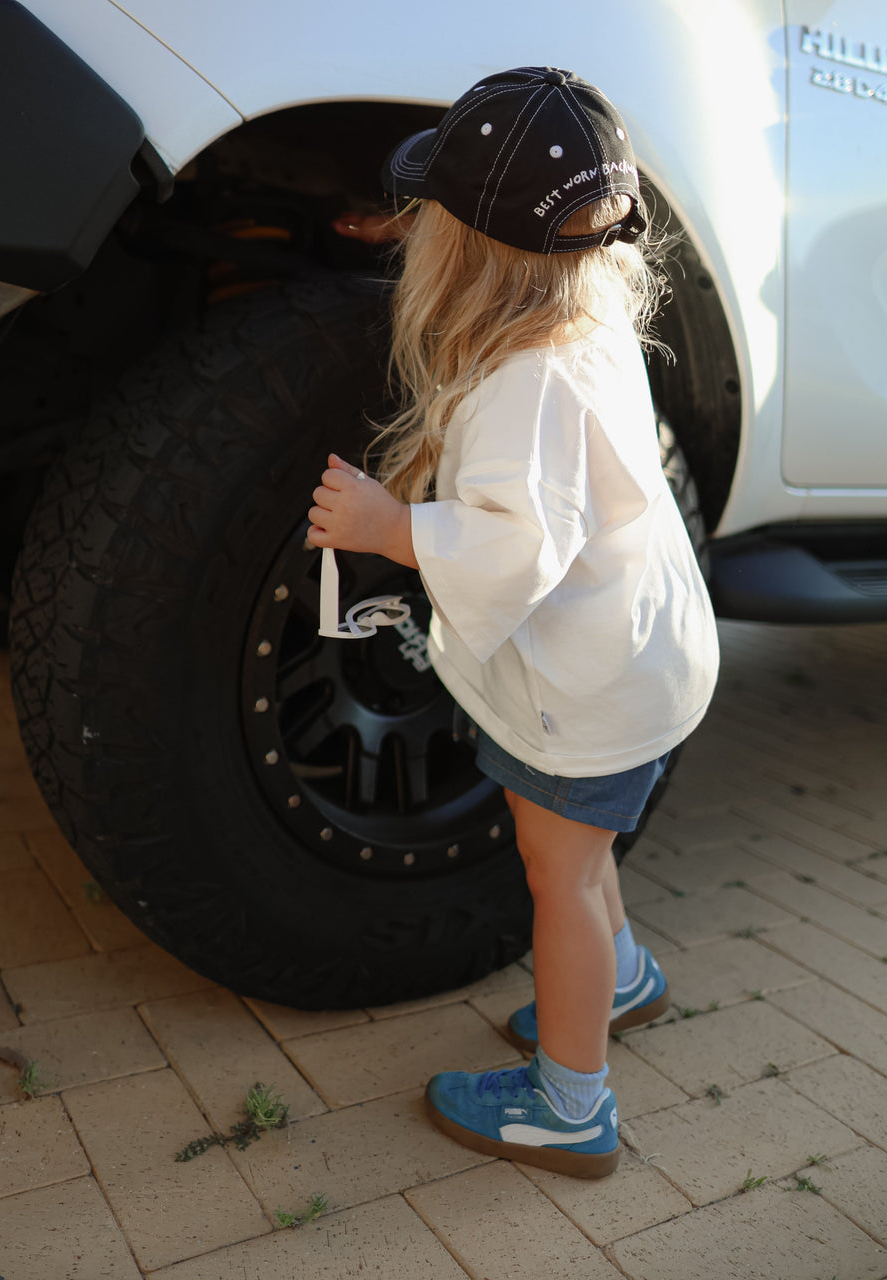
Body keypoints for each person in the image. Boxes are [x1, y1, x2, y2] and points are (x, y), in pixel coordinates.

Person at [307, 66, 719, 1179]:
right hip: (639, 657)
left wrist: (391, 524)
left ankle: (570, 1105)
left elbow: (516, 551)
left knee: (561, 875)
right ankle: (622, 977)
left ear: (464, 245)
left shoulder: (521, 386)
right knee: (587, 857)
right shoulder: (588, 324)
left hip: (594, 685)